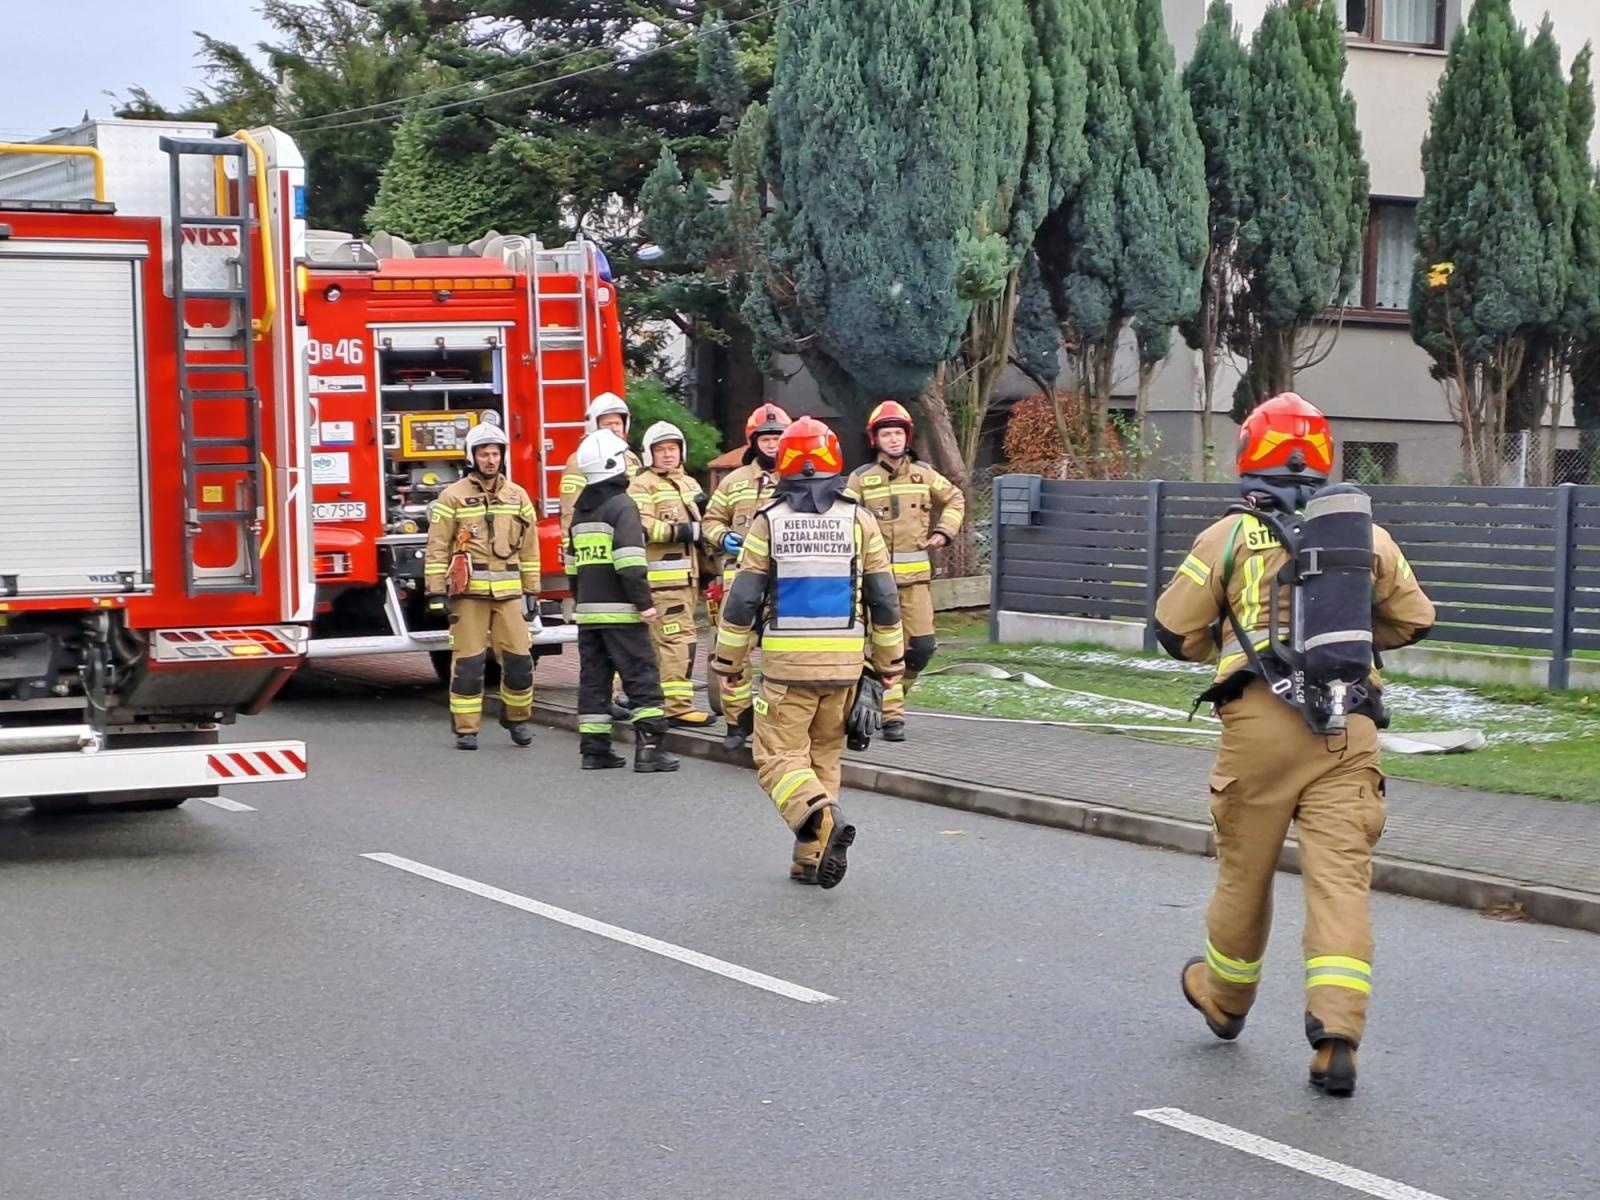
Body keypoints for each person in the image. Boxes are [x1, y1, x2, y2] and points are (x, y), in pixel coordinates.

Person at [1151, 393, 1436, 1097]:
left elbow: (1171, 628)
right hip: (1350, 723)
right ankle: (1336, 1031)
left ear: (1252, 454)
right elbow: (1416, 619)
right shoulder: (1364, 535)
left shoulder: (1227, 537)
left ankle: (1225, 998)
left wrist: (1227, 634)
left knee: (1244, 872)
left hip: (1259, 724)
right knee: (1341, 880)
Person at [711, 416, 904, 888]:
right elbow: (883, 597)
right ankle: (810, 859)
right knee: (822, 761)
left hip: (786, 667)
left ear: (786, 463)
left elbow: (743, 599)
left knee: (777, 758)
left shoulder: (769, 521)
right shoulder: (860, 520)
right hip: (844, 666)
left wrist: (727, 662)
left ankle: (820, 817)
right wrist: (890, 664)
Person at [845, 400, 964, 742]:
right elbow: (844, 520)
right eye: (887, 433)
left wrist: (944, 532)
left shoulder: (924, 474)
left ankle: (885, 698)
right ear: (875, 439)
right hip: (873, 582)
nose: (893, 439)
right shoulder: (860, 480)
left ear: (907, 436)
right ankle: (892, 715)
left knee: (922, 647)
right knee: (881, 649)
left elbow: (956, 498)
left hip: (916, 583)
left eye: (898, 433)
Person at [567, 428, 680, 773]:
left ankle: (594, 750)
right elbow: (631, 564)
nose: (630, 467)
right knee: (641, 677)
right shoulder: (621, 506)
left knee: (594, 681)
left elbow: (572, 566)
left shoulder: (581, 511)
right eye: (626, 461)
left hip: (588, 613)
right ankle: (649, 750)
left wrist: (582, 601)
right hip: (622, 613)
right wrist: (644, 604)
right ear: (613, 464)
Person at [423, 421, 540, 751]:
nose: (491, 459)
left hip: (509, 595)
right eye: (484, 454)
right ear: (471, 457)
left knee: (520, 662)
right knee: (468, 666)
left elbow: (530, 548)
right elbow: (438, 547)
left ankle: (516, 719)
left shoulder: (518, 497)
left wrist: (532, 591)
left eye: (495, 453)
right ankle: (466, 729)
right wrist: (434, 591)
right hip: (468, 596)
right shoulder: (452, 497)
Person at [702, 403, 792, 751]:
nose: (772, 444)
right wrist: (723, 538)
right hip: (739, 581)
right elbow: (710, 521)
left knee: (779, 656)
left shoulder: (796, 479)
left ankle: (777, 726)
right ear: (753, 442)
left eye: (778, 438)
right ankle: (737, 723)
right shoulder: (733, 482)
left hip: (782, 583)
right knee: (733, 655)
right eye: (766, 438)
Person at [629, 421, 713, 728]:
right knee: (677, 641)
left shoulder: (690, 483)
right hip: (664, 581)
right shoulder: (641, 485)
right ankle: (677, 706)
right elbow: (643, 527)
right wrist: (685, 531)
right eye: (661, 450)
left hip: (688, 580)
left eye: (673, 448)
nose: (667, 455)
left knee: (661, 643)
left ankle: (652, 702)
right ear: (649, 454)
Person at [559, 392, 640, 536]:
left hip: (630, 532)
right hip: (599, 537)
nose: (615, 428)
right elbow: (569, 509)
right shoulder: (578, 461)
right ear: (594, 426)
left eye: (618, 423)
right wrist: (570, 548)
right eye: (608, 424)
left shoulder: (631, 458)